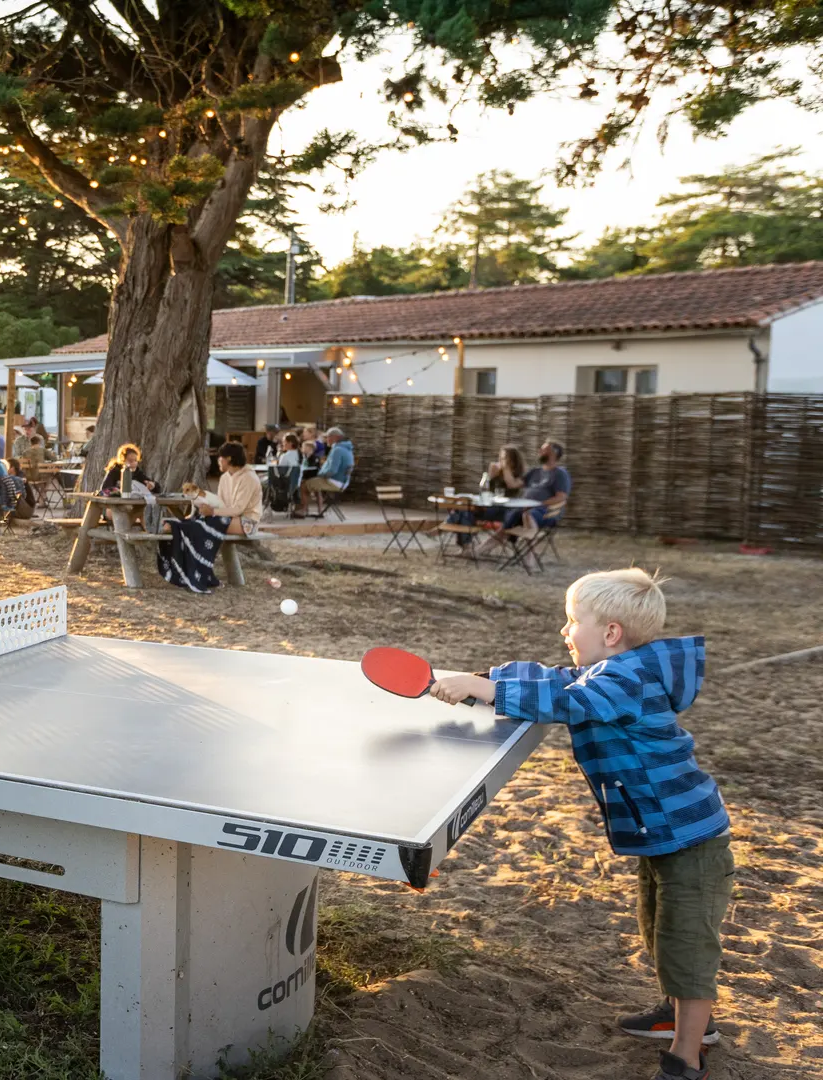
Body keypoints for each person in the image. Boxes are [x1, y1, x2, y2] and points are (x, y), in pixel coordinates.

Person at [427, 570, 730, 1080]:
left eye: (573, 622)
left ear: (610, 634)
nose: (565, 632)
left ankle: (686, 1056)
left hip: (692, 840)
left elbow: (573, 703)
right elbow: (553, 680)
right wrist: (484, 679)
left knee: (687, 944)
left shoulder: (622, 681)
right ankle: (677, 1017)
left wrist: (486, 688)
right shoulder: (611, 669)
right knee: (660, 932)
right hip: (664, 836)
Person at [158, 443, 258, 592]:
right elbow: (221, 503)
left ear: (229, 458)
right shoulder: (225, 477)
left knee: (203, 524)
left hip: (246, 521)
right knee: (199, 521)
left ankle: (199, 571)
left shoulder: (248, 477)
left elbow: (239, 509)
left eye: (220, 458)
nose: (218, 461)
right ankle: (174, 528)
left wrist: (212, 512)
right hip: (225, 516)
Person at [508, 439, 572, 530]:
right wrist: (506, 466)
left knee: (527, 515)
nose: (539, 451)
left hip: (545, 511)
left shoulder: (560, 474)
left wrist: (537, 504)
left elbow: (561, 497)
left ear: (553, 454)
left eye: (544, 449)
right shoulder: (534, 471)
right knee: (510, 517)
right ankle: (486, 544)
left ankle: (530, 535)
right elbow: (513, 484)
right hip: (525, 509)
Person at [298, 427, 354, 515]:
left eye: (328, 437)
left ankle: (303, 511)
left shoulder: (337, 450)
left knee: (303, 485)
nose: (326, 439)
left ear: (335, 437)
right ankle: (317, 510)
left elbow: (332, 470)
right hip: (341, 482)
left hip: (334, 481)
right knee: (314, 483)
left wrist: (320, 474)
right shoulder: (346, 449)